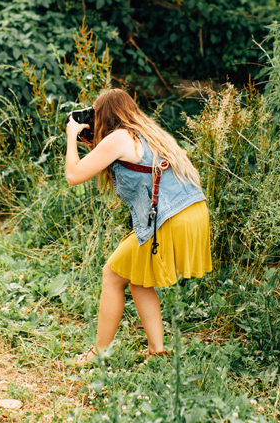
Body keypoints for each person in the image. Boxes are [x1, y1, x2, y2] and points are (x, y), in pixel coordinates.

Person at [65, 88, 212, 366]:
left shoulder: (120, 137)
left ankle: (99, 353)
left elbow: (73, 174)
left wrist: (72, 135)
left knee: (112, 274)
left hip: (173, 217)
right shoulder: (150, 134)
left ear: (104, 115)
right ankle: (157, 351)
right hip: (193, 211)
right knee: (136, 277)